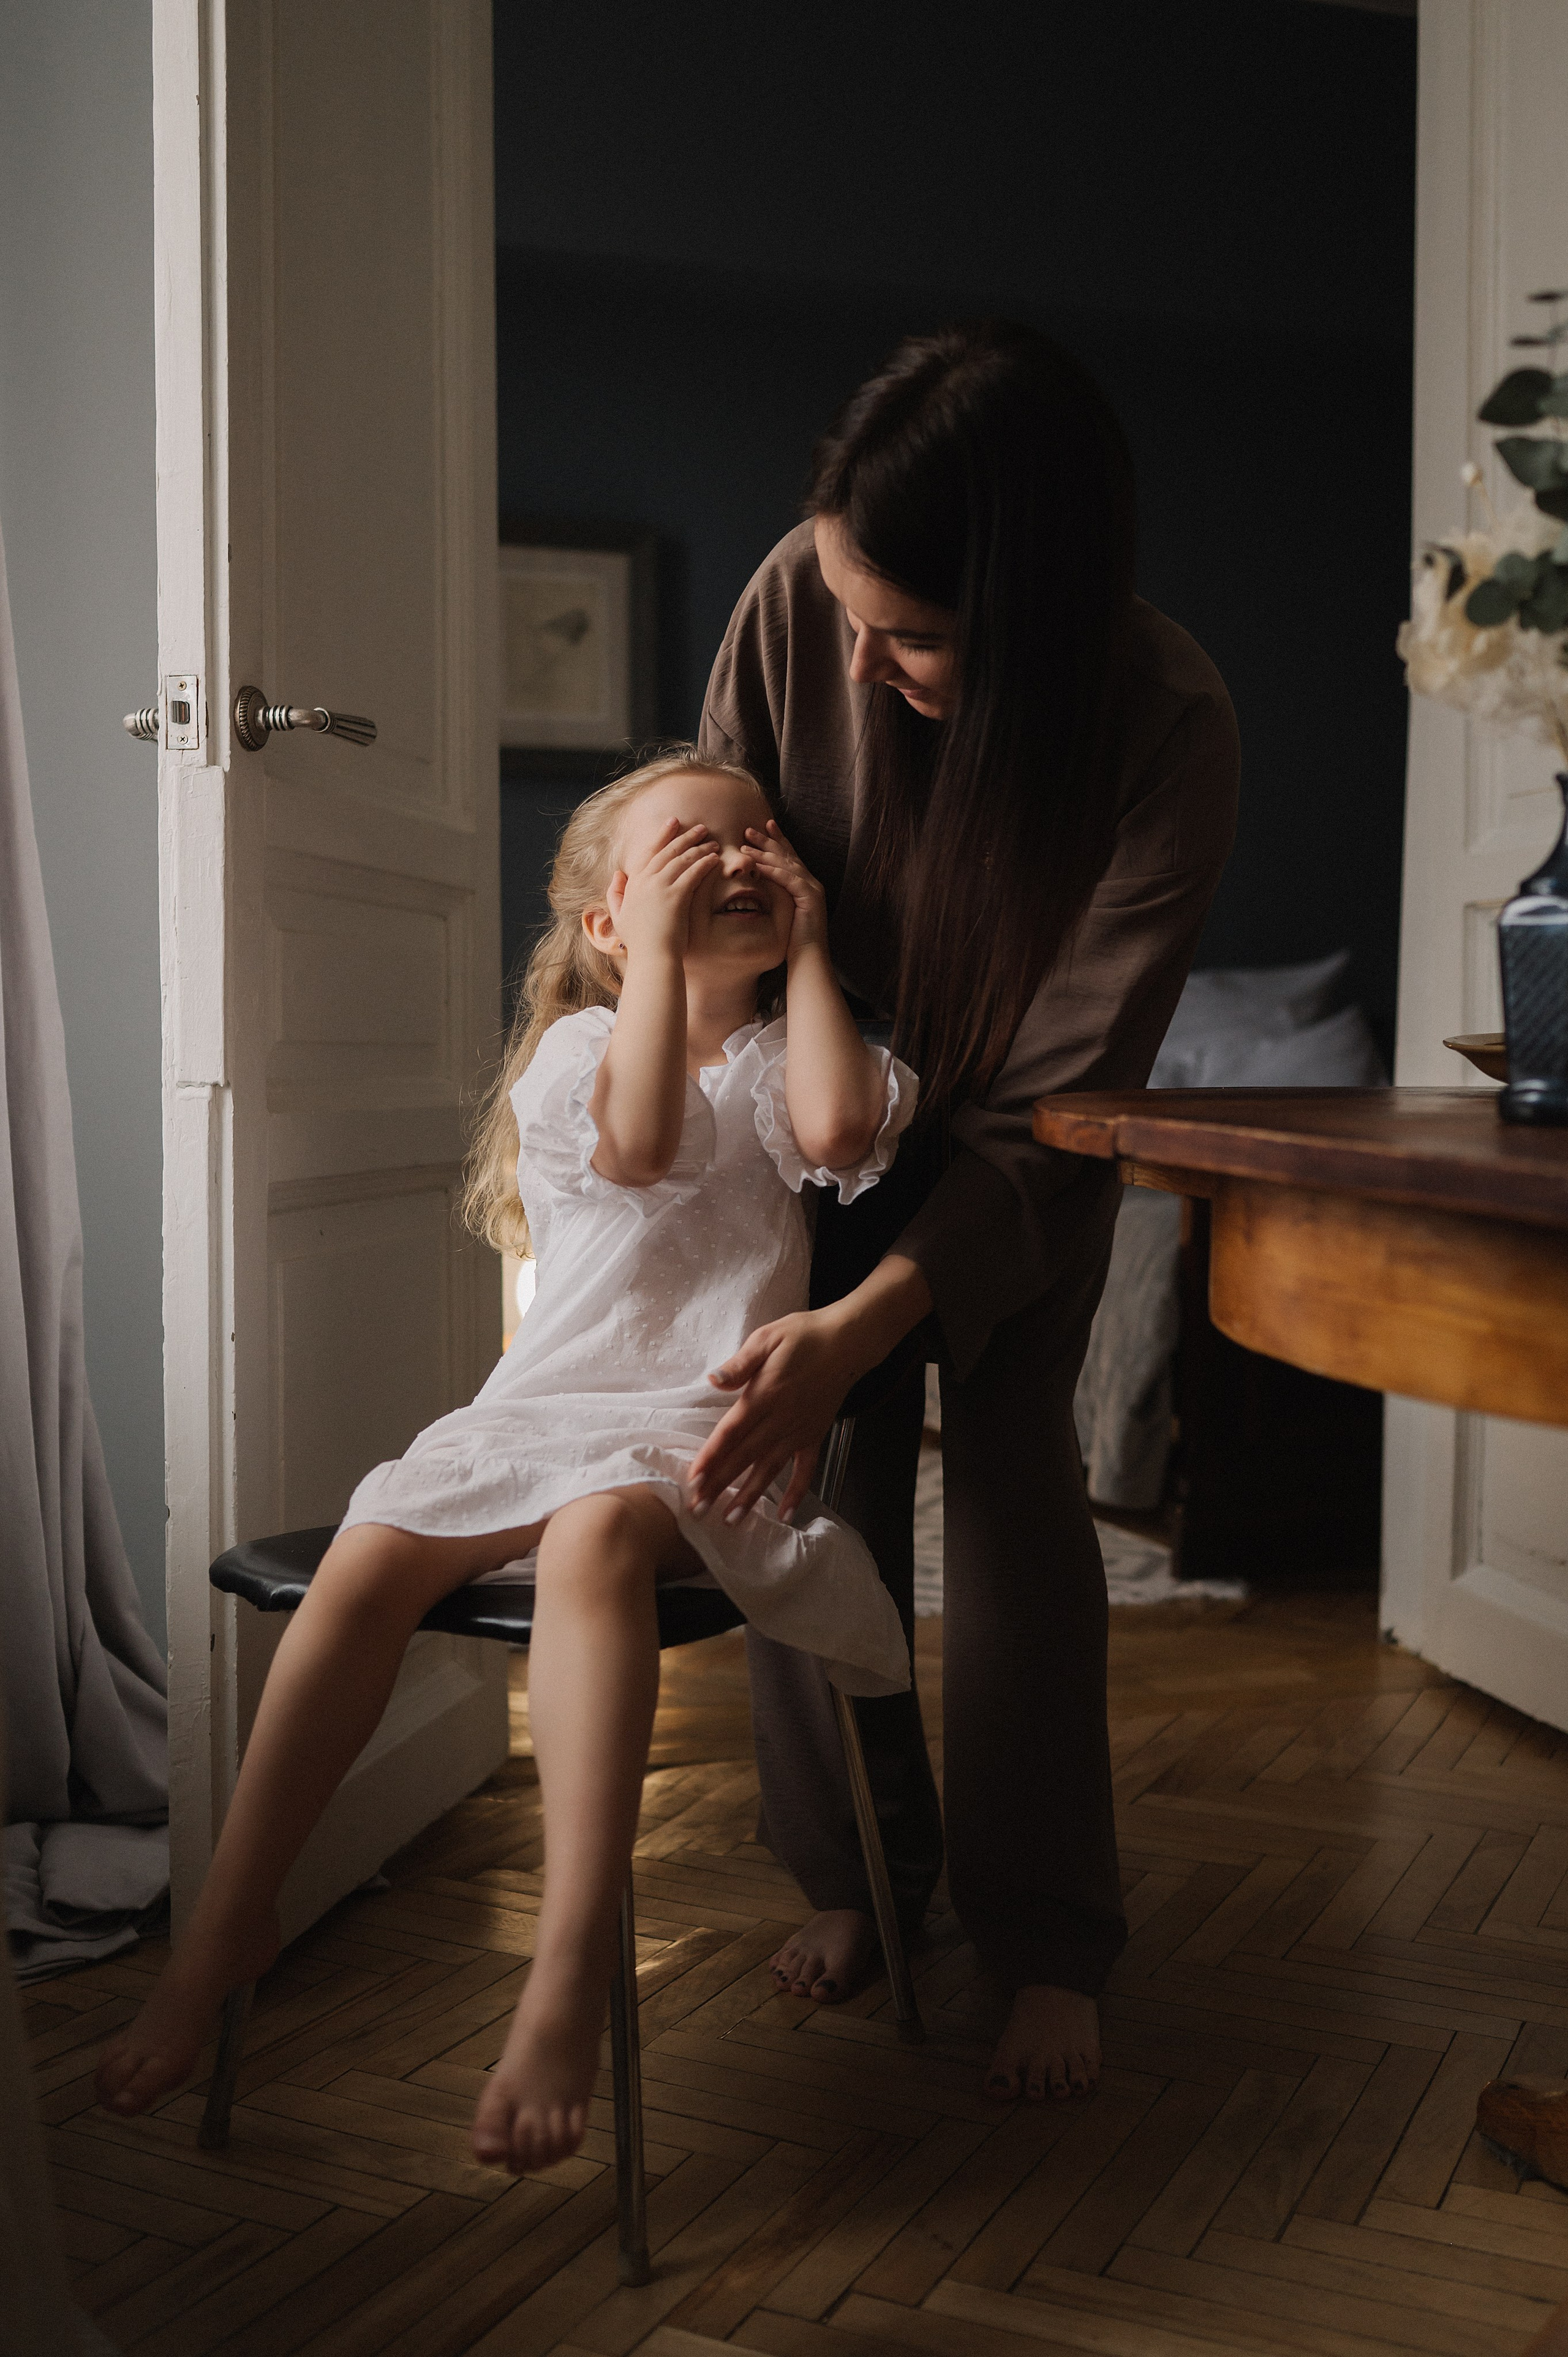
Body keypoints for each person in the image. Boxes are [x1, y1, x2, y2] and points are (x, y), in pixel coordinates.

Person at [95, 749, 918, 2173]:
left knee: (599, 1531)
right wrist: (659, 960)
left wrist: (821, 943)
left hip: (698, 1427)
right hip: (540, 1407)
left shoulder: (795, 1059)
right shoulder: (579, 1054)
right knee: (370, 1552)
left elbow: (846, 1131)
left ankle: (565, 1969)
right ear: (605, 923)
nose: (732, 862)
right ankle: (226, 1921)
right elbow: (647, 1145)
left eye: (757, 842)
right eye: (684, 853)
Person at [687, 320, 1240, 2103]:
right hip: (800, 1113)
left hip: (1022, 1157)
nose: (857, 658)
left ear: (1041, 616)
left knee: (1012, 1512)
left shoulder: (1166, 725)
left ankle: (1045, 1935)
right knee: (800, 1494)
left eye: (910, 636)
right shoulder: (798, 602)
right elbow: (701, 891)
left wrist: (887, 1308)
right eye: (850, 608)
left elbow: (1064, 1106)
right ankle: (855, 1880)